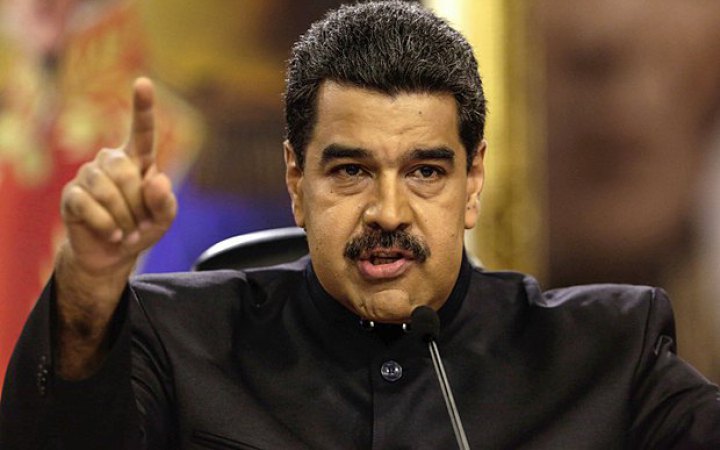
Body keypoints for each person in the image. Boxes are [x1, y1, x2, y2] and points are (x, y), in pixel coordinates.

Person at [1, 1, 719, 448]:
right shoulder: (180, 341)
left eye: (425, 172)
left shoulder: (606, 353)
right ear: (296, 181)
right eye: (350, 171)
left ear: (473, 183)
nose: (388, 212)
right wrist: (90, 281)